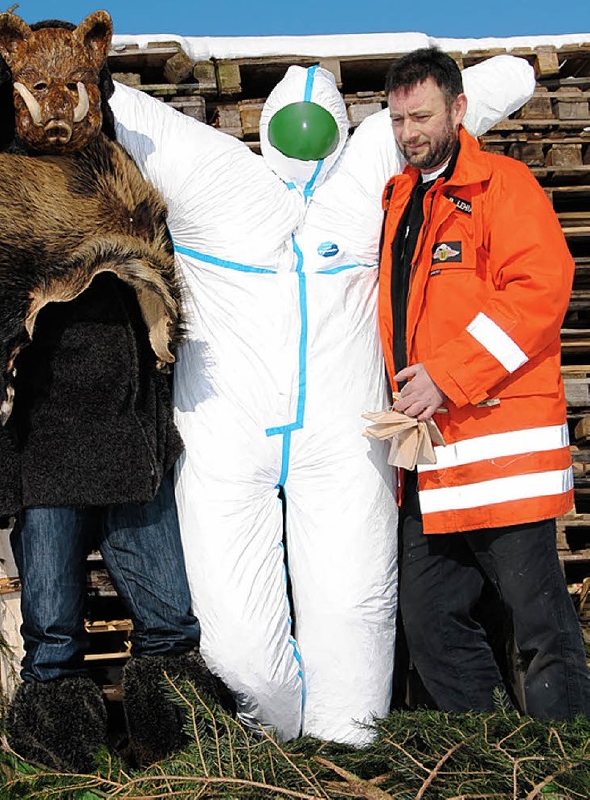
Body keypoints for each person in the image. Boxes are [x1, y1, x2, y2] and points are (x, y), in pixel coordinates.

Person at [110, 51, 535, 742]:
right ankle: (274, 734)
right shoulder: (224, 176)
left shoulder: (364, 175)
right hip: (228, 434)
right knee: (242, 639)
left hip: (343, 437)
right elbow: (125, 111)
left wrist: (515, 73)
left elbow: (483, 91)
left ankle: (348, 747)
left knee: (353, 607)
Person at [0, 11, 229, 773]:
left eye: (74, 86)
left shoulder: (124, 181)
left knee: (169, 621)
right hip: (42, 448)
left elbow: (160, 298)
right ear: (13, 84)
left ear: (97, 81)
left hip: (127, 436)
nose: (60, 103)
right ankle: (55, 763)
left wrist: (158, 409)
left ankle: (186, 756)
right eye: (41, 87)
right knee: (52, 636)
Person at [377, 46, 590, 718]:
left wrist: (446, 374)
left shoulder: (504, 185)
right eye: (397, 119)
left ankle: (567, 764)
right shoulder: (398, 199)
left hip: (500, 451)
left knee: (539, 626)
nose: (409, 132)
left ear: (458, 109)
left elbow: (539, 291)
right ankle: (498, 759)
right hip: (432, 457)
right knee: (432, 622)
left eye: (421, 116)